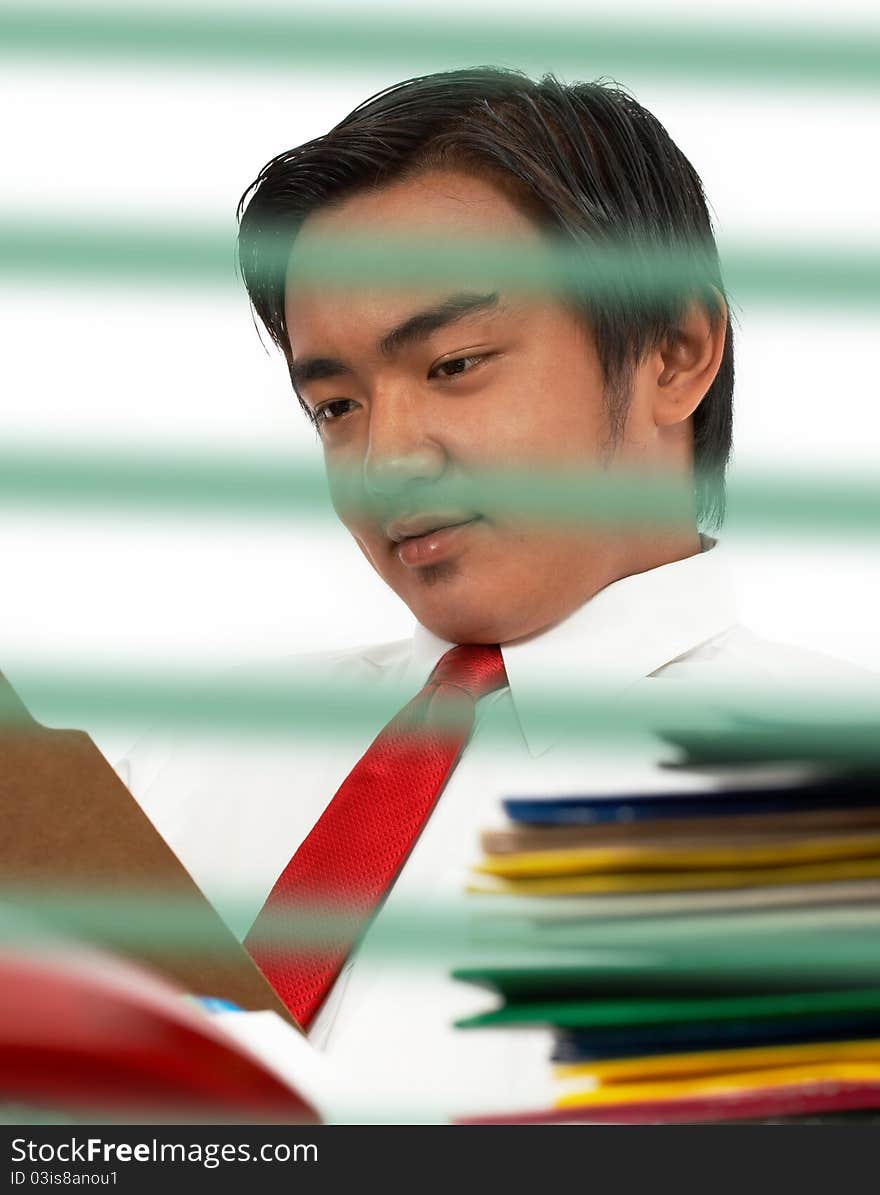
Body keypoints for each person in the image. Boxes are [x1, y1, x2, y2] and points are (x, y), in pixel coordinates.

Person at [118, 69, 871, 1121]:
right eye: (333, 405)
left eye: (456, 363)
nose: (383, 460)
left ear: (675, 352)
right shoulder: (180, 766)